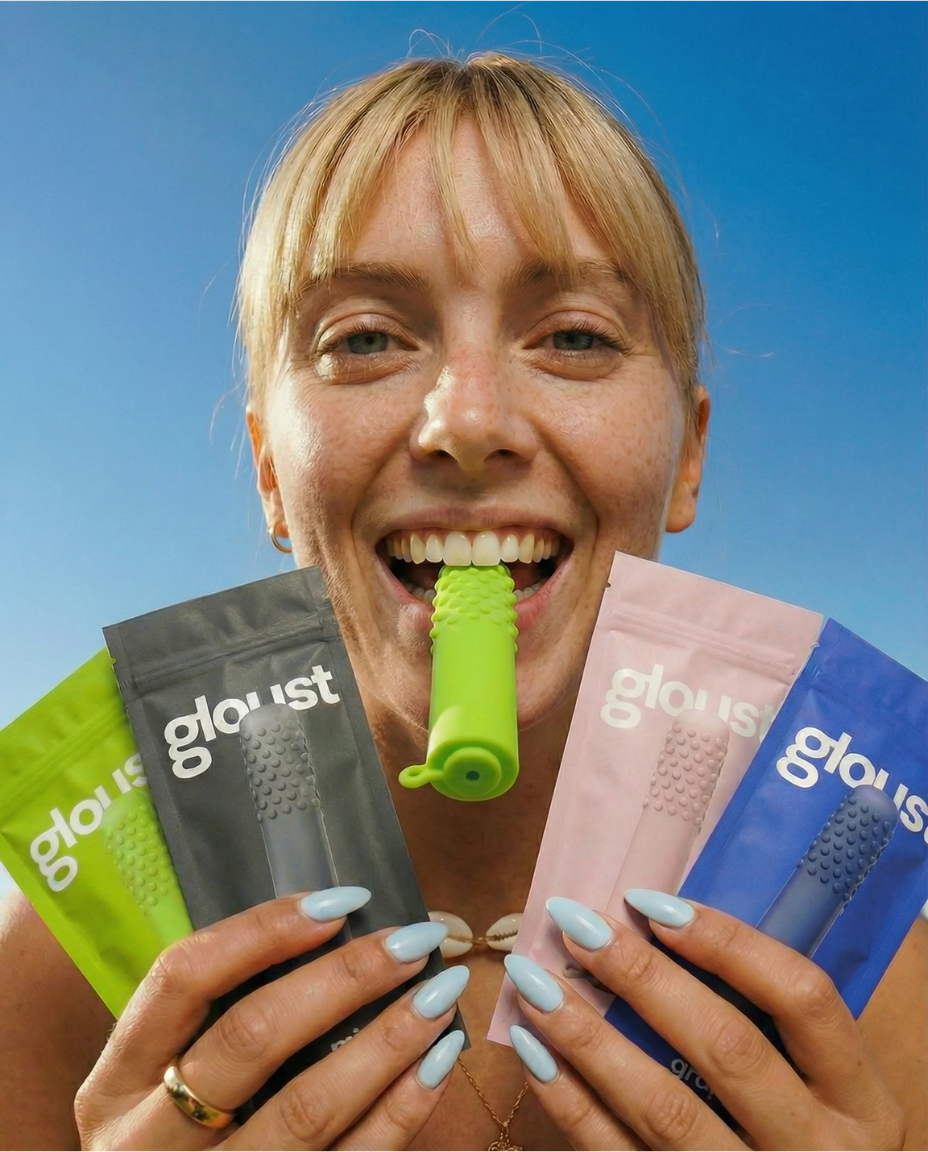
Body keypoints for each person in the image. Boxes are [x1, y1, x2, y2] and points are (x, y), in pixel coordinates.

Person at [0, 52, 923, 1152]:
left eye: (574, 335)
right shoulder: (71, 977)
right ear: (267, 473)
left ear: (688, 456)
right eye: (366, 340)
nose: (466, 420)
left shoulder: (860, 984)